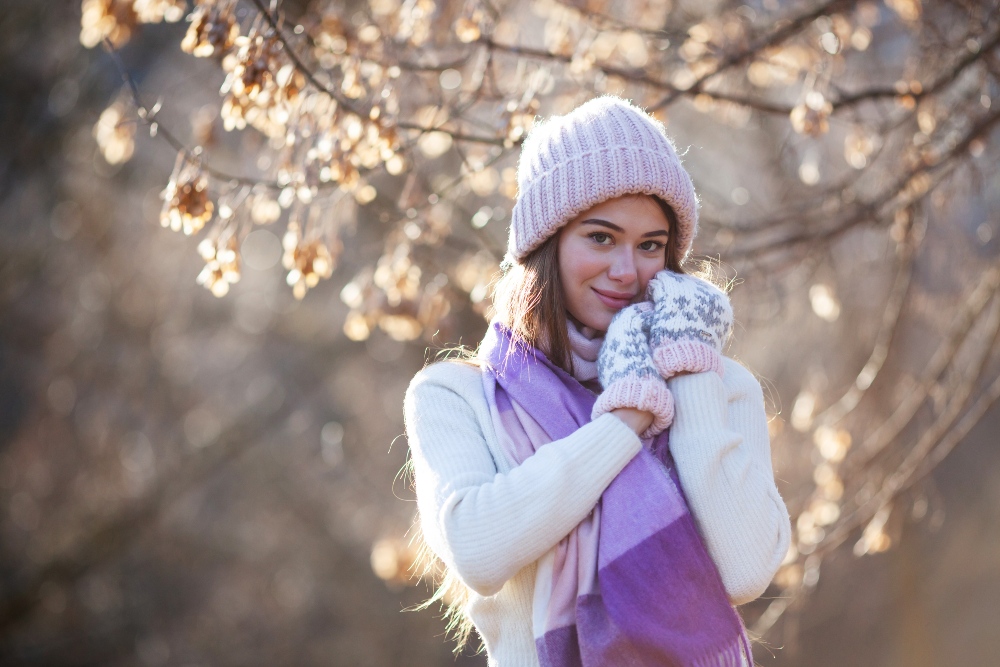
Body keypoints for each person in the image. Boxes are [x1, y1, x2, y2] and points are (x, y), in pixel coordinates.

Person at [403, 95, 792, 667]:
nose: (626, 271)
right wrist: (624, 422)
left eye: (650, 245)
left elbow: (746, 568)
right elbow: (478, 550)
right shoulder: (455, 396)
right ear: (547, 242)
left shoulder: (718, 386)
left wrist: (687, 372)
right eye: (601, 237)